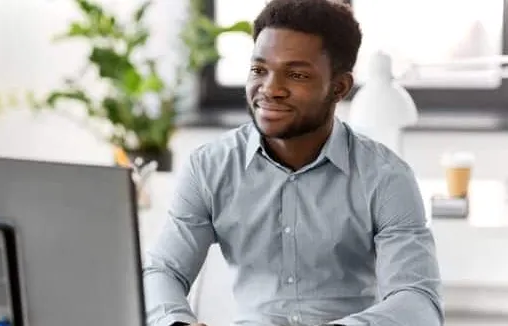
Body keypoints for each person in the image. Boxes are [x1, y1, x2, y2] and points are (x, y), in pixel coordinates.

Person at [143, 0, 443, 325]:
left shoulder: (386, 177)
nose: (270, 90)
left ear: (339, 87)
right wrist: (176, 322)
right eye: (259, 70)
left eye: (296, 74)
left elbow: (417, 302)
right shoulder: (209, 167)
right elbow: (163, 271)